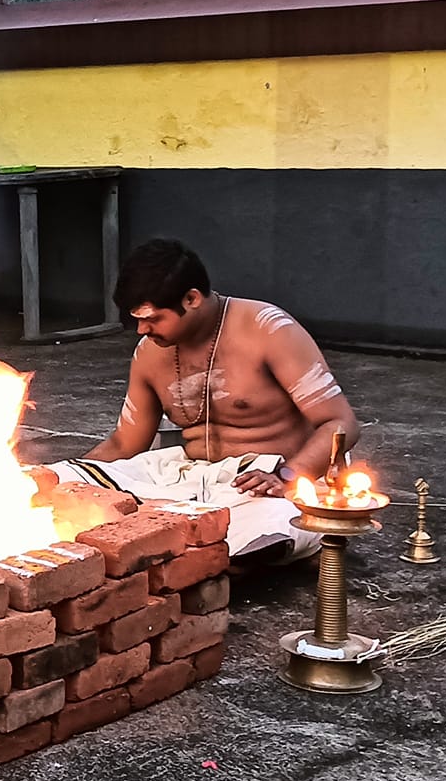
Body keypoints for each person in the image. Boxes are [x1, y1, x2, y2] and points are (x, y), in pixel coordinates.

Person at [50, 238, 362, 559]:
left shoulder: (268, 329)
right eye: (137, 319)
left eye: (153, 318)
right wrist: (73, 484)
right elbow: (123, 445)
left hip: (268, 485)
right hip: (184, 479)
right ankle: (175, 540)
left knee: (276, 528)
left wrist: (289, 476)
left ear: (191, 298)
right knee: (52, 484)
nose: (142, 329)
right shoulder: (149, 353)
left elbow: (341, 424)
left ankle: (193, 549)